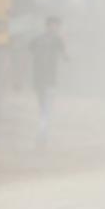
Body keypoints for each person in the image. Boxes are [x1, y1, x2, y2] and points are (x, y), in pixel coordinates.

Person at [29, 16, 69, 147]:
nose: (55, 28)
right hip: (47, 79)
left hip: (41, 79)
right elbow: (66, 57)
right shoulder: (56, 40)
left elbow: (26, 53)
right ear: (50, 26)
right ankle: (42, 135)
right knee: (45, 108)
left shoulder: (37, 39)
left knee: (44, 108)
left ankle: (42, 134)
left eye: (57, 25)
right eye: (55, 25)